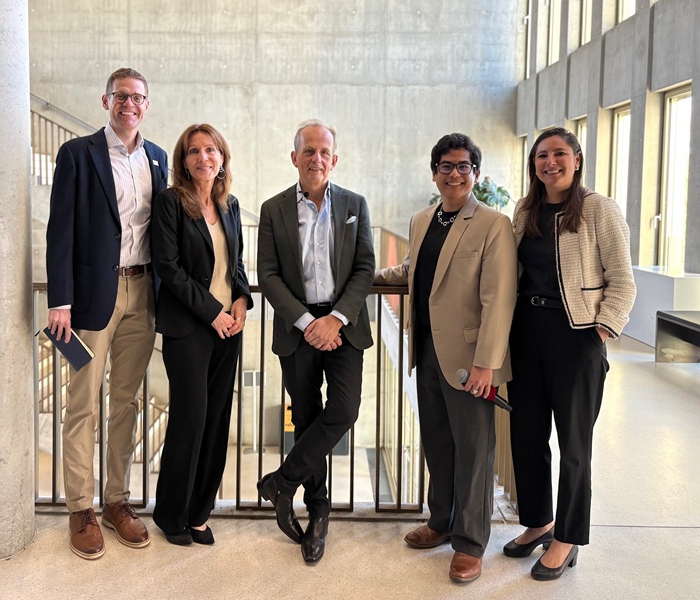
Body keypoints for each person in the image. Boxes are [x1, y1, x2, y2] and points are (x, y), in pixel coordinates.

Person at [374, 133, 517, 583]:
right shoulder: (423, 220)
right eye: (446, 166)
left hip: (471, 359)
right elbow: (413, 271)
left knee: (474, 451)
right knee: (438, 442)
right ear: (434, 173)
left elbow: (499, 298)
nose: (455, 174)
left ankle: (471, 543)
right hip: (428, 351)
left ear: (476, 173)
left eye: (463, 166)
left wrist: (486, 363)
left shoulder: (493, 223)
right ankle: (441, 521)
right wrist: (365, 278)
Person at [46, 67, 169, 559]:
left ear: (146, 105)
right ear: (106, 101)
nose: (129, 104)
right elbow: (60, 230)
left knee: (127, 403)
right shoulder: (77, 154)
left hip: (144, 292)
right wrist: (60, 300)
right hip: (93, 298)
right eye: (121, 96)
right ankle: (81, 508)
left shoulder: (158, 158)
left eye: (137, 97)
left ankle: (116, 500)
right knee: (82, 403)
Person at [504, 127, 636, 580]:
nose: (550, 162)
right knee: (527, 435)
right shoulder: (525, 210)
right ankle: (539, 522)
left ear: (577, 159)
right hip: (526, 335)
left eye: (559, 153)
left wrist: (601, 329)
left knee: (574, 445)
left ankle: (567, 538)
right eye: (542, 155)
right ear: (534, 164)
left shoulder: (599, 209)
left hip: (576, 338)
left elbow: (623, 280)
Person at [256, 119, 374, 564]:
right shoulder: (273, 209)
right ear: (295, 157)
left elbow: (365, 267)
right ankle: (318, 513)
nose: (316, 159)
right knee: (305, 420)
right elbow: (268, 274)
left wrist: (336, 319)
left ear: (334, 159)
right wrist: (309, 323)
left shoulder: (355, 204)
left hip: (344, 326)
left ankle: (281, 483)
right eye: (308, 150)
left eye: (324, 152)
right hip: (298, 327)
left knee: (343, 410)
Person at [150, 124, 252, 546]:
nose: (203, 157)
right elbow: (168, 268)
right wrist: (213, 314)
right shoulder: (171, 202)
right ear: (184, 161)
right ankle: (171, 515)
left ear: (222, 158)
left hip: (230, 326)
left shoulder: (230, 205)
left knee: (216, 422)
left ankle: (199, 513)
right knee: (190, 420)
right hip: (189, 327)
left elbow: (237, 264)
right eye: (194, 151)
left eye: (211, 150)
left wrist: (241, 301)